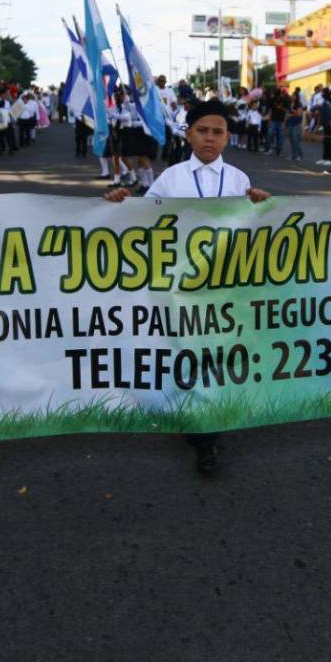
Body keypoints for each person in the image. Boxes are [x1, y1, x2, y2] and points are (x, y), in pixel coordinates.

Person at [103, 98, 271, 475]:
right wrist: (116, 204)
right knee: (187, 352)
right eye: (202, 131)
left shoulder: (239, 179)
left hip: (225, 285)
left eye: (218, 132)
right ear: (188, 135)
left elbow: (251, 225)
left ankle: (206, 426)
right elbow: (143, 220)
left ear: (227, 137)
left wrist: (261, 205)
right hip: (181, 285)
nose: (210, 138)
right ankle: (200, 429)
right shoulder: (172, 178)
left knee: (217, 353)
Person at [285, 87, 305, 160]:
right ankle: (293, 155)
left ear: (296, 97)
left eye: (293, 96)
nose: (292, 97)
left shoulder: (299, 104)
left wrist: (291, 115)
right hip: (290, 124)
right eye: (292, 95)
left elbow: (299, 114)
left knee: (296, 141)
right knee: (292, 141)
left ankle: (300, 156)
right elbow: (287, 113)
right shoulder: (290, 104)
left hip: (296, 125)